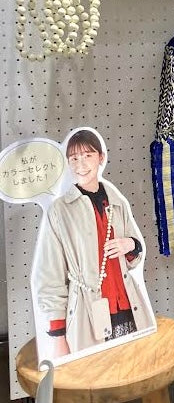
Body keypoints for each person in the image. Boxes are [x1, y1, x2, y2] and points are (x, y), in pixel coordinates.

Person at [33, 128, 155, 358]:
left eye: (87, 155)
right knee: (98, 374)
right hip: (86, 314)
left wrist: (130, 245)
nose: (80, 164)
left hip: (129, 306)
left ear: (101, 157)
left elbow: (134, 257)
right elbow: (50, 276)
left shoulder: (117, 201)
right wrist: (58, 336)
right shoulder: (60, 211)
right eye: (74, 158)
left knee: (134, 368)